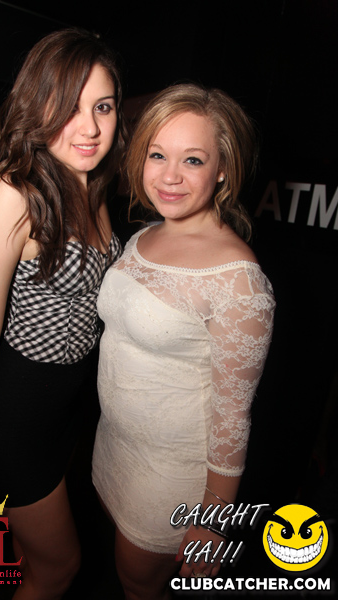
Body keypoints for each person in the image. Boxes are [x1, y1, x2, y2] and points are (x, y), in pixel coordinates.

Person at [0, 27, 126, 599]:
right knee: (59, 568)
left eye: (102, 107)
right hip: (18, 413)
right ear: (37, 105)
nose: (88, 127)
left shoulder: (93, 186)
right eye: (68, 107)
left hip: (65, 409)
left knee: (26, 563)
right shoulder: (15, 193)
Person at [92, 83, 276, 599]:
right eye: (157, 155)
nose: (169, 176)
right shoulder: (145, 234)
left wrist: (212, 522)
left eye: (192, 159)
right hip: (114, 448)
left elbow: (233, 415)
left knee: (139, 587)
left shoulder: (239, 280)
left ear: (222, 169)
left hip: (170, 477)